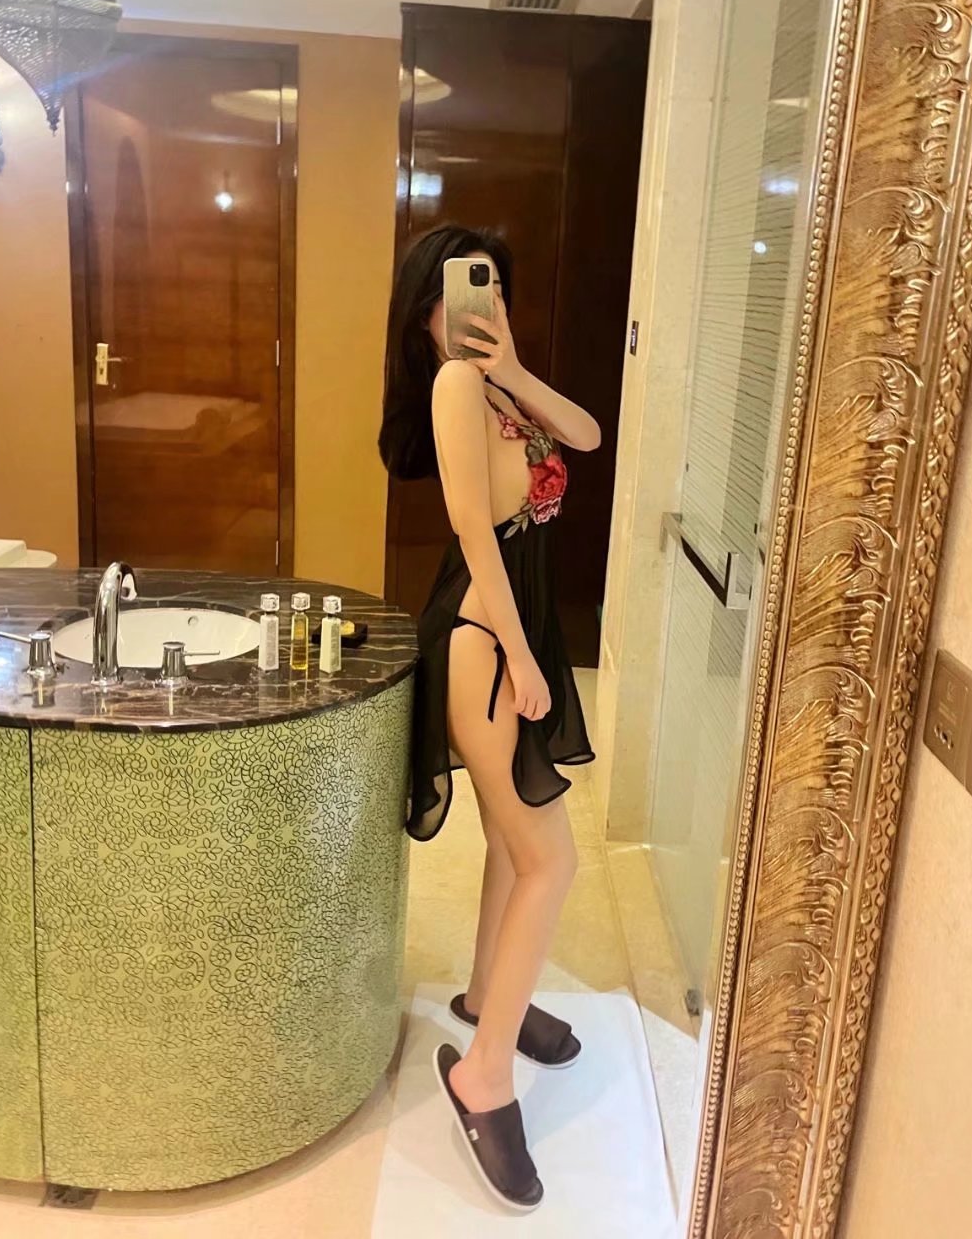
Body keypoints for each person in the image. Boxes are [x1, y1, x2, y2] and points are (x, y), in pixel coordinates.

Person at [379, 224, 600, 1210]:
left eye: (497, 284)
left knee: (516, 848)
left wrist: (512, 364)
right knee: (553, 859)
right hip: (484, 637)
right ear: (427, 308)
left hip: (514, 628)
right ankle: (484, 1076)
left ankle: (484, 996)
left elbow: (587, 435)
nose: (489, 299)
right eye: (469, 286)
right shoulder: (452, 389)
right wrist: (519, 653)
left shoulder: (498, 386)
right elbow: (473, 526)